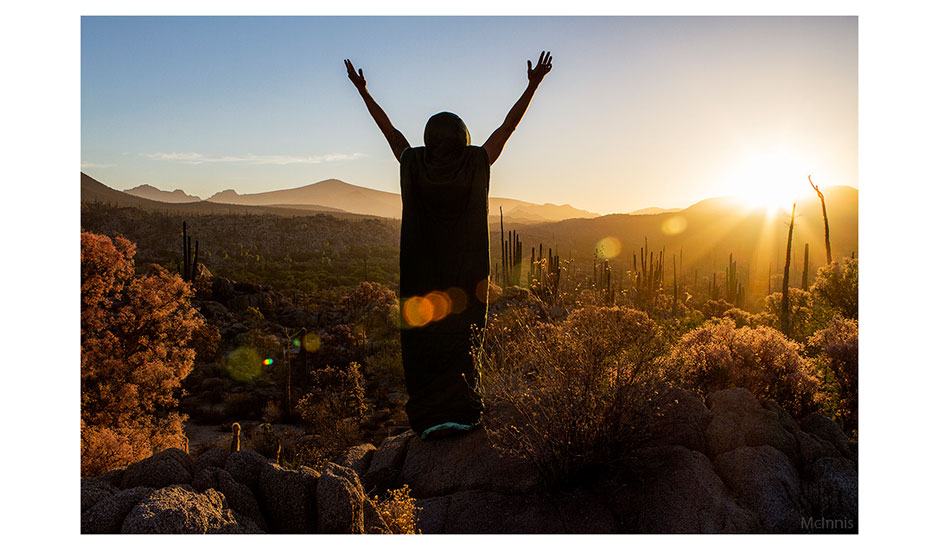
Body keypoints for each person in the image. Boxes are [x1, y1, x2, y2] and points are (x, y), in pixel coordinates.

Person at [344, 51, 553, 439]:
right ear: (462, 138)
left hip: (422, 274)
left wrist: (363, 92)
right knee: (463, 337)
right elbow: (506, 130)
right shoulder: (474, 163)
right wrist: (532, 86)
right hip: (465, 275)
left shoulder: (414, 164)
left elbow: (390, 133)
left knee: (423, 341)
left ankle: (428, 417)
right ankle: (463, 411)